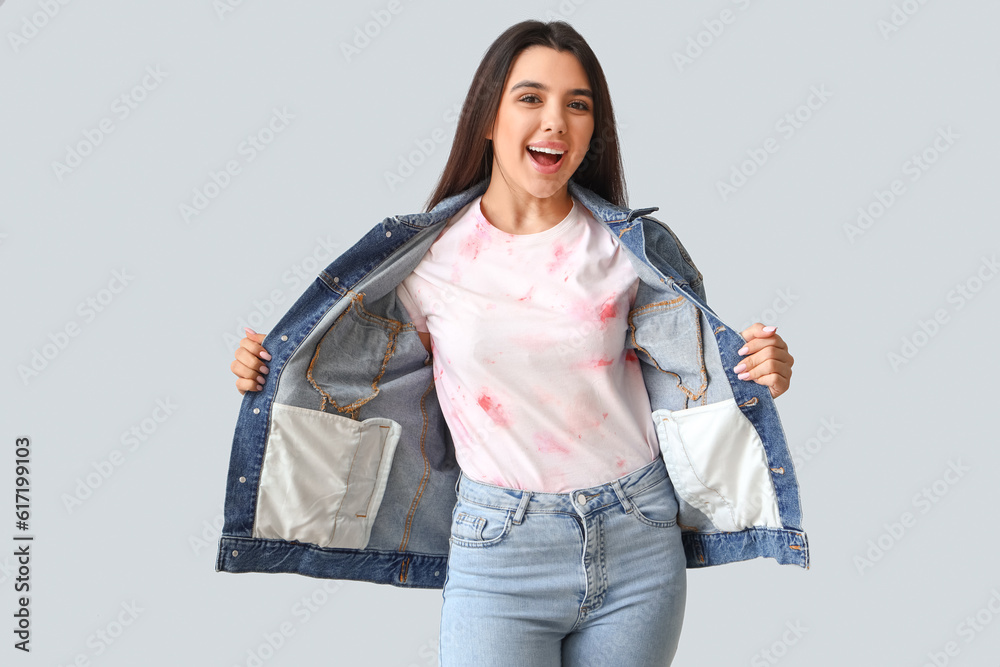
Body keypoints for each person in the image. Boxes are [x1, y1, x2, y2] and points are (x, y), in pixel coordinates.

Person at [229, 20, 794, 666]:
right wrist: (268, 370)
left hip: (638, 539)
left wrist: (765, 369)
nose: (555, 120)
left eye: (577, 105)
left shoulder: (630, 250)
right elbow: (343, 373)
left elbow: (704, 374)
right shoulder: (428, 261)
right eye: (531, 98)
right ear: (489, 119)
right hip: (499, 551)